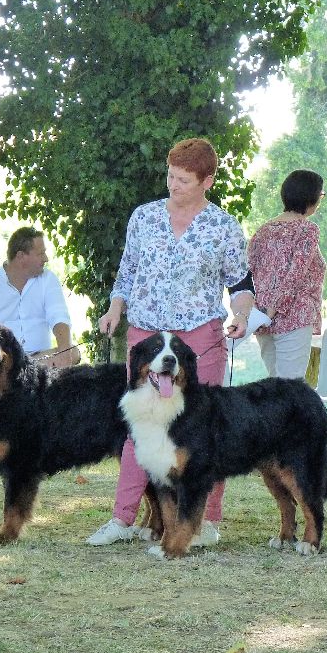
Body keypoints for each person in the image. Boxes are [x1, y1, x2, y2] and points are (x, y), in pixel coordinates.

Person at [87, 137, 255, 547]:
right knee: (137, 427)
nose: (173, 184)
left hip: (199, 339)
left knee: (205, 431)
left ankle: (206, 522)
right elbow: (126, 273)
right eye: (170, 175)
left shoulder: (223, 227)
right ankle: (122, 520)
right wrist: (114, 309)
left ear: (207, 180)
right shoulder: (143, 217)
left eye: (183, 179)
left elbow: (241, 283)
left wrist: (243, 313)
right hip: (146, 335)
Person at [0, 226, 82, 369]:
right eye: (41, 254)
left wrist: (64, 352)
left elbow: (59, 317)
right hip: (0, 359)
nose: (46, 259)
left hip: (41, 358)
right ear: (21, 256)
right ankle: (18, 370)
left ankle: (21, 370)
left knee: (73, 352)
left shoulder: (48, 279)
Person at [248, 170, 326, 379]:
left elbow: (249, 271)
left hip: (262, 319)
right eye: (321, 195)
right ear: (311, 197)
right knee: (290, 390)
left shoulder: (263, 230)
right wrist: (273, 309)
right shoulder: (307, 229)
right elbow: (295, 275)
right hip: (293, 316)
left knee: (275, 389)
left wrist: (261, 312)